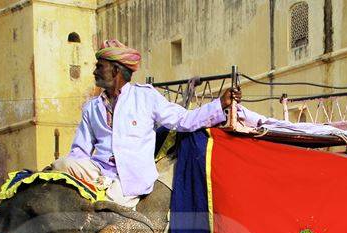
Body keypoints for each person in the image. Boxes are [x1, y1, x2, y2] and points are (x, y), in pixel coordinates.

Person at [54, 39, 238, 208]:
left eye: (100, 67)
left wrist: (220, 104)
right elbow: (79, 151)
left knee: (106, 207)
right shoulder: (91, 107)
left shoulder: (145, 96)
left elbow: (183, 120)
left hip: (131, 178)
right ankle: (99, 185)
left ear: (116, 71)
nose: (94, 72)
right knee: (61, 165)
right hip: (98, 172)